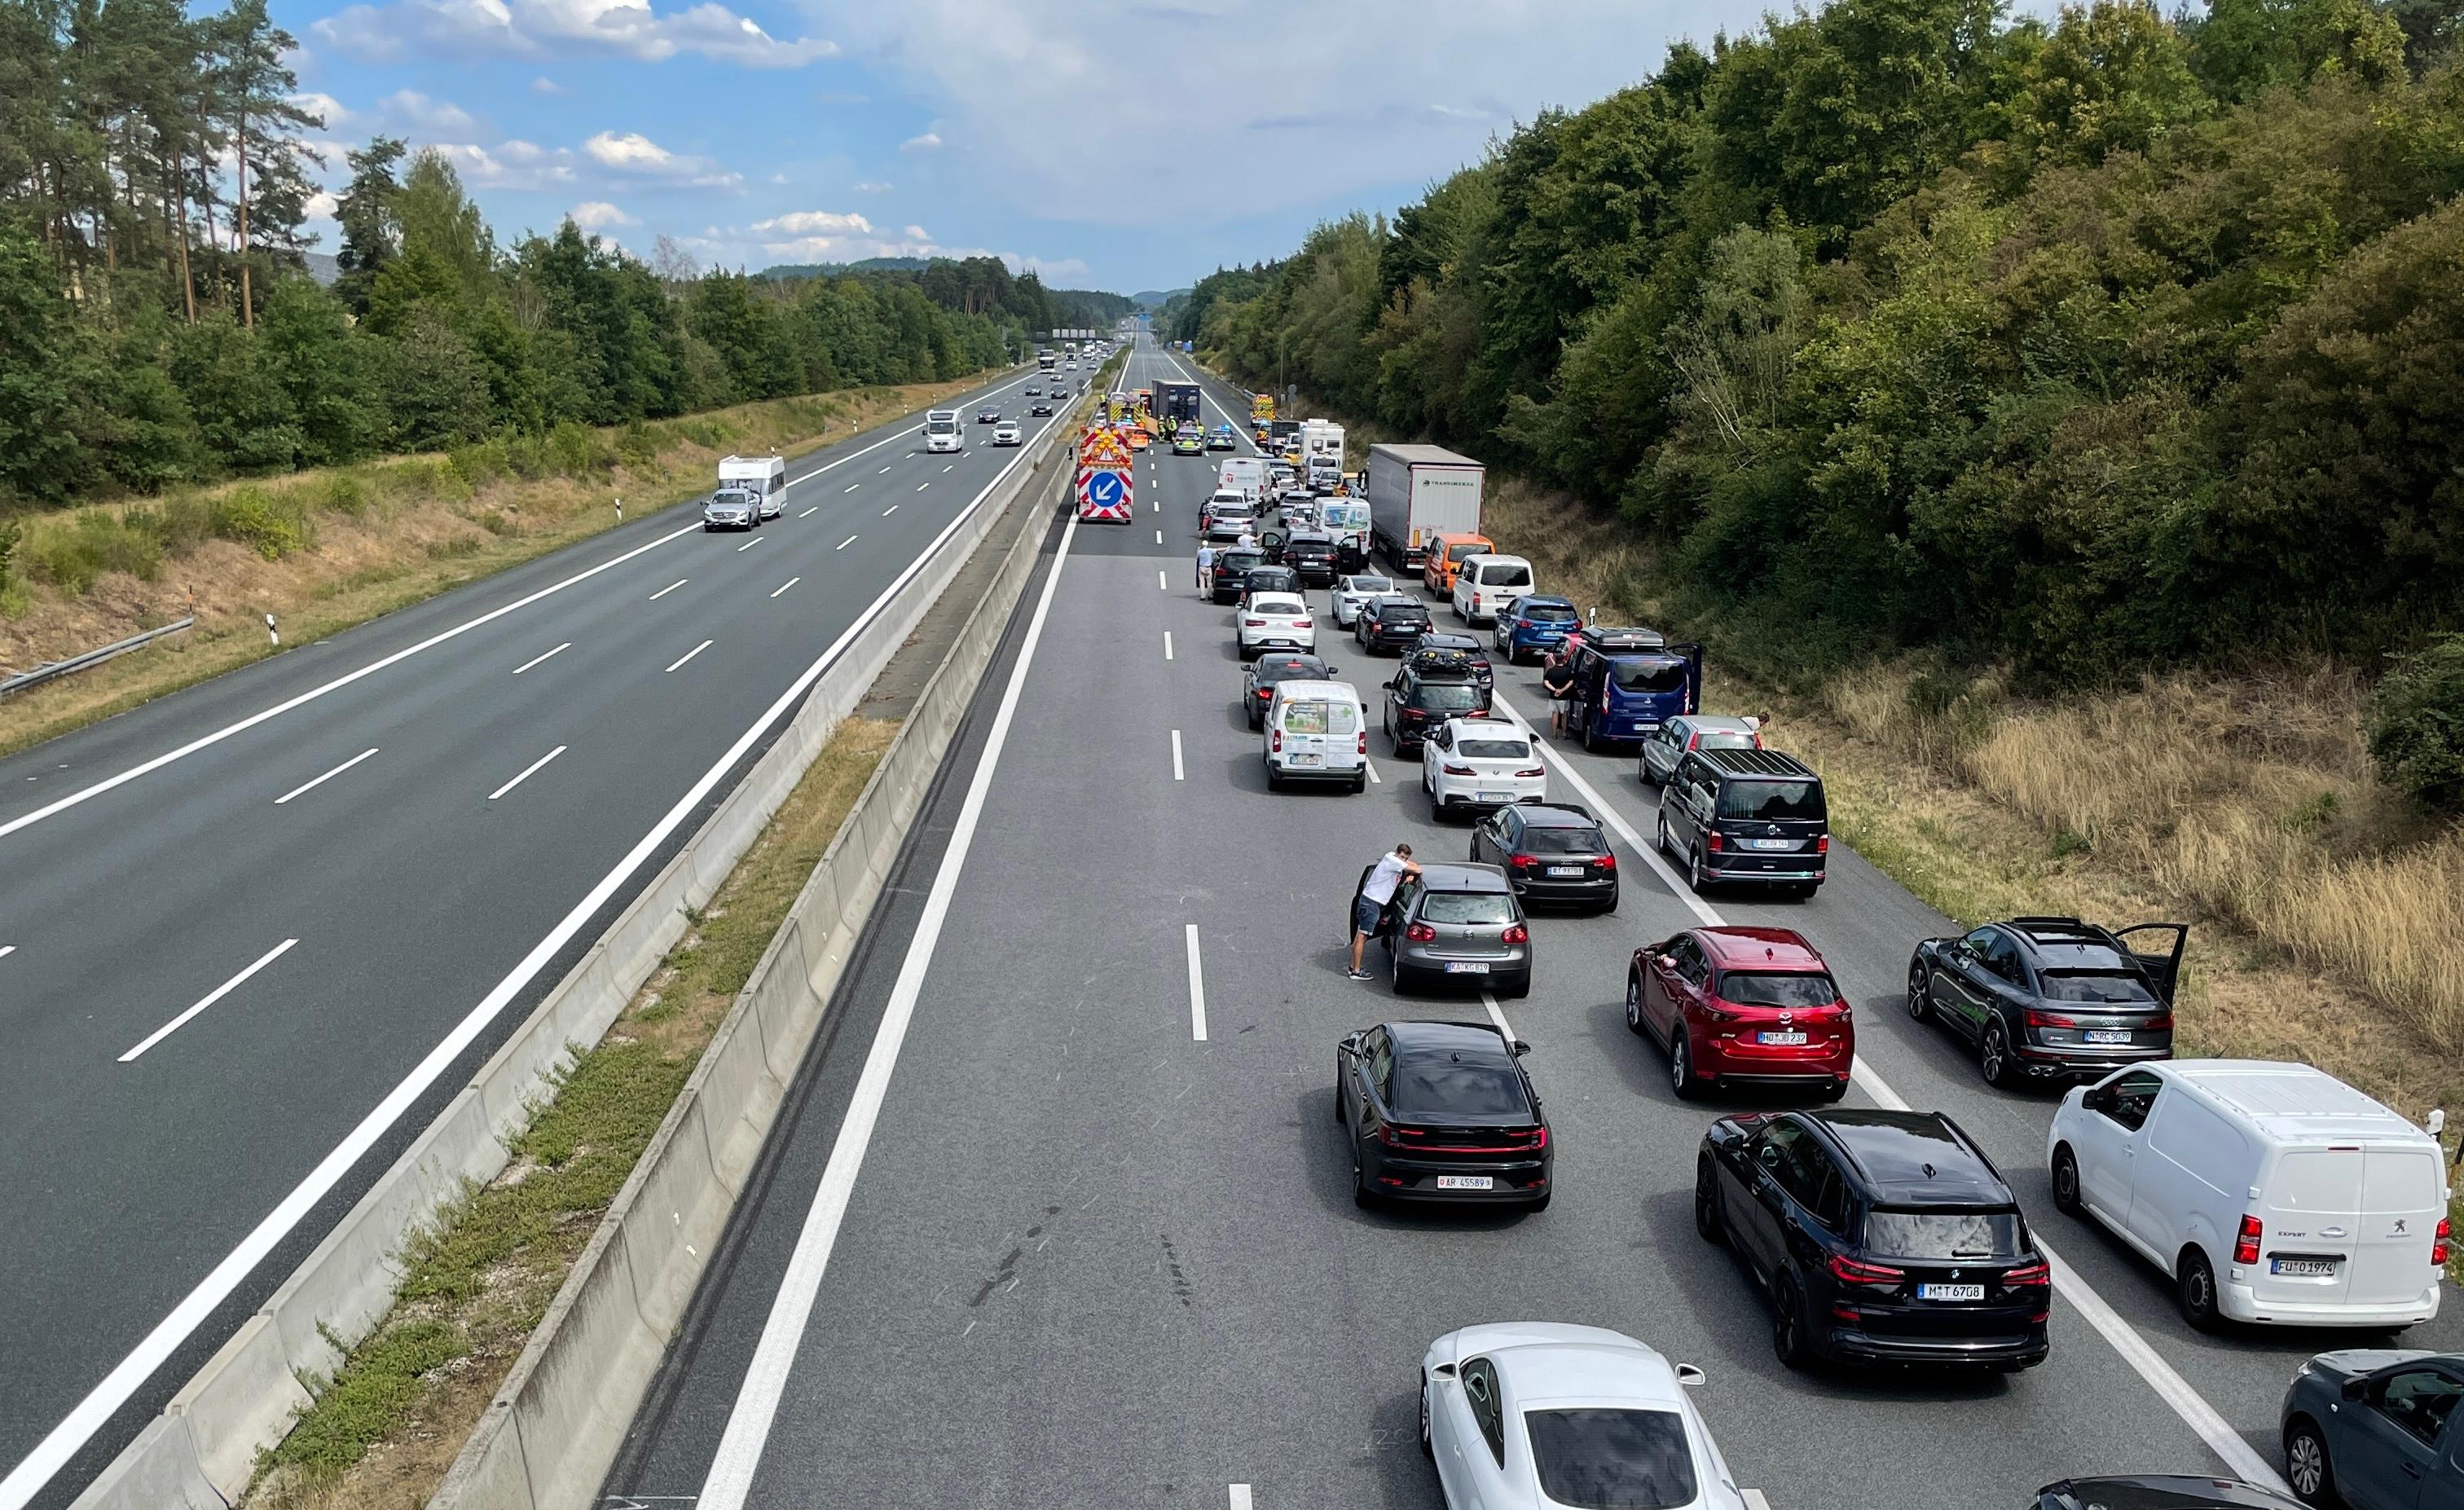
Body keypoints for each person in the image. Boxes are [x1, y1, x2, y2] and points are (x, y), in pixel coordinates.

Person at [1349, 843, 1421, 980]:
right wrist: (1410, 868)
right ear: (1396, 853)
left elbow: (1412, 866)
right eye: (1402, 857)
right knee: (1362, 936)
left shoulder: (1395, 861)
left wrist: (1407, 867)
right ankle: (1356, 972)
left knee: (1360, 935)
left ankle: (1353, 967)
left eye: (1406, 858)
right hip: (1372, 903)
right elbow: (1417, 869)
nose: (1403, 860)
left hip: (1373, 902)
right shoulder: (1392, 860)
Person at [1541, 651, 1577, 735]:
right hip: (1565, 697)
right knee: (1564, 715)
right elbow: (1571, 682)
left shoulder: (1551, 671)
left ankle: (1554, 733)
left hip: (1553, 697)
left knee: (1555, 714)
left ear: (1556, 660)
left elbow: (1546, 682)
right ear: (1563, 660)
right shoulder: (1568, 670)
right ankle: (1564, 733)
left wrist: (1554, 690)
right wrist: (1562, 690)